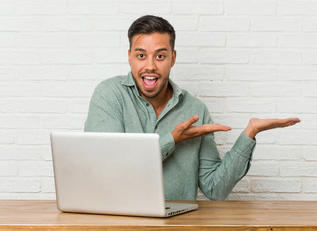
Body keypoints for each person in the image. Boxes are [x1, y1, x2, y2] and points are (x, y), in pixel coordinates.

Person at [84, 15, 300, 200]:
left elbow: (215, 189)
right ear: (129, 57)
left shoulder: (195, 109)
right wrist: (172, 139)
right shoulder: (109, 95)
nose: (150, 66)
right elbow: (107, 169)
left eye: (160, 56)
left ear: (173, 58)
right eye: (141, 56)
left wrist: (250, 133)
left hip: (178, 226)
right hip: (118, 220)